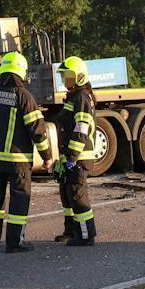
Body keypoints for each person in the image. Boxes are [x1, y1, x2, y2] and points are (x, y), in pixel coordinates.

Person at [0, 52, 52, 252]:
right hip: (18, 161)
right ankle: (15, 242)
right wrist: (47, 157)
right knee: (19, 199)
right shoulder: (24, 96)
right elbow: (37, 130)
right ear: (22, 71)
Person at [54, 55, 99, 246]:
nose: (66, 80)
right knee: (67, 194)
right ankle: (71, 231)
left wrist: (72, 156)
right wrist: (63, 159)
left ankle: (86, 236)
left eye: (69, 76)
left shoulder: (81, 98)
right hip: (70, 156)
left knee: (78, 195)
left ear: (79, 76)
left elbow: (81, 128)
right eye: (64, 76)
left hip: (79, 156)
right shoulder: (74, 97)